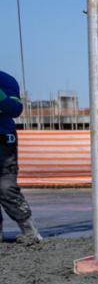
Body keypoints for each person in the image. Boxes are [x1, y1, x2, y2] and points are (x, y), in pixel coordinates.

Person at [1, 70, 41, 244]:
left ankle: (30, 231)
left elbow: (15, 109)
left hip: (3, 143)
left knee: (6, 188)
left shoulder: (6, 80)